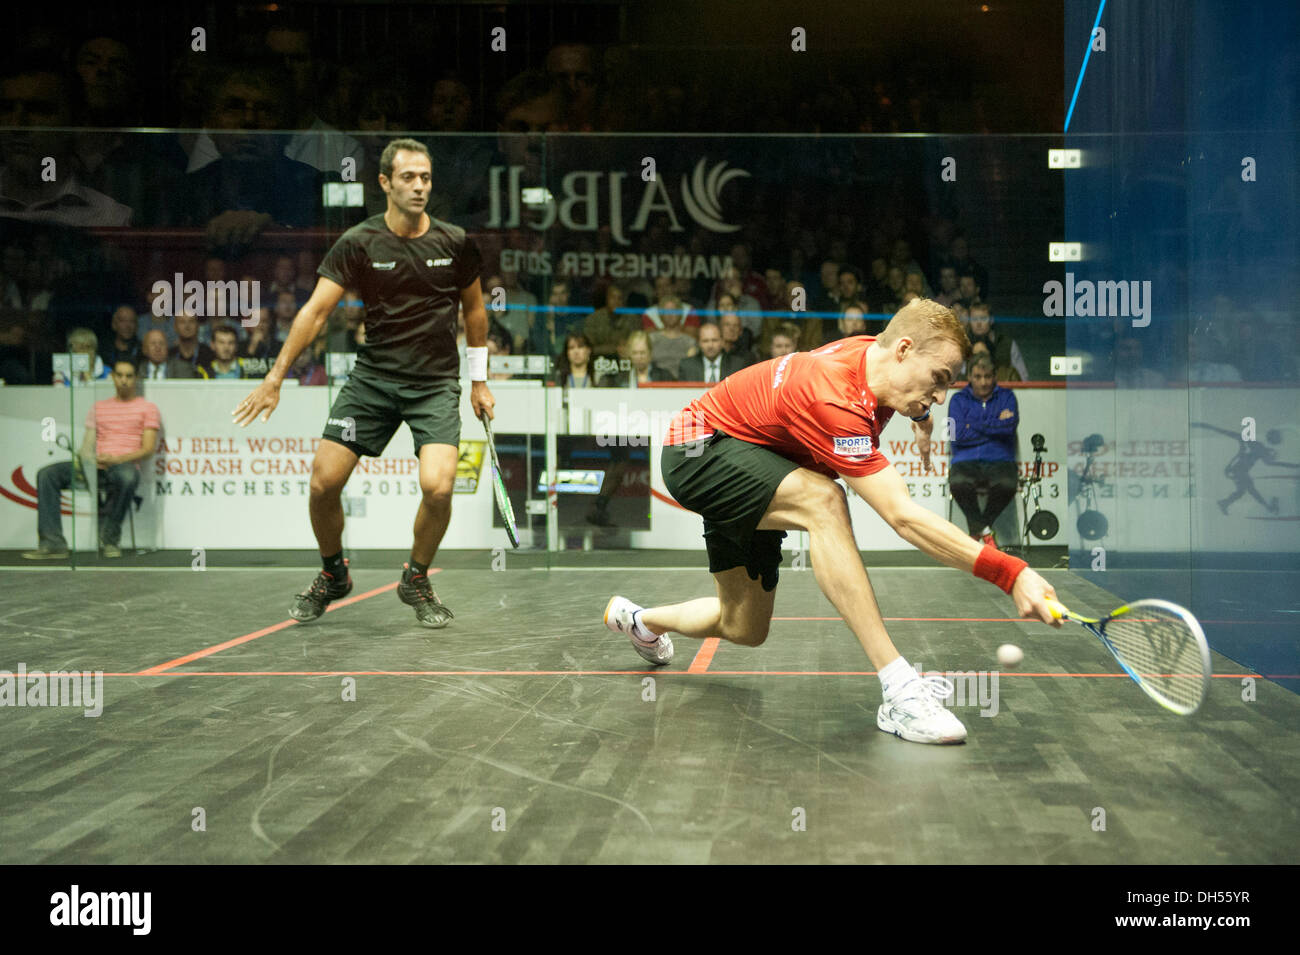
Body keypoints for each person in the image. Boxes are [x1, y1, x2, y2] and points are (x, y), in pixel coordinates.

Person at [601, 299, 1061, 745]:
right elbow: (903, 518)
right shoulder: (834, 396)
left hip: (754, 459)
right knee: (825, 501)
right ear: (903, 349)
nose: (940, 396)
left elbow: (912, 393)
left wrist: (921, 417)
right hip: (698, 451)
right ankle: (899, 689)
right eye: (939, 380)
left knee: (744, 627)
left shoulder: (876, 356)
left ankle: (641, 621)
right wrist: (1011, 572)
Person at [232, 138, 492, 629]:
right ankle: (333, 575)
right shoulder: (359, 242)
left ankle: (415, 578)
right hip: (372, 382)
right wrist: (275, 377)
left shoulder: (456, 242)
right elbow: (315, 311)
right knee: (323, 483)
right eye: (410, 178)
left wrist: (479, 382)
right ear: (385, 183)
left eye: (427, 178)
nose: (420, 187)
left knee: (438, 489)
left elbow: (475, 312)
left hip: (434, 385)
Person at [23, 359, 159, 559]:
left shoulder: (147, 408)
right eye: (119, 375)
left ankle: (110, 539)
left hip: (123, 466)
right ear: (112, 377)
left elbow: (148, 449)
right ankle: (53, 543)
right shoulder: (99, 407)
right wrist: (90, 459)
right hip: (95, 465)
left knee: (129, 477)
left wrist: (117, 458)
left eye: (129, 376)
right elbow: (86, 447)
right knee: (47, 474)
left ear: (135, 379)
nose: (123, 380)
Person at [948, 354, 1020, 546]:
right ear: (969, 377)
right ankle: (986, 531)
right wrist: (995, 423)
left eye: (988, 376)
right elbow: (957, 435)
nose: (983, 382)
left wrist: (972, 425)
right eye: (978, 376)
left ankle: (977, 531)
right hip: (965, 460)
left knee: (1007, 484)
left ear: (995, 376)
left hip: (1000, 459)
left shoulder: (1007, 397)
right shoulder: (957, 400)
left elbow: (1008, 429)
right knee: (958, 483)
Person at [678, 322, 748, 383]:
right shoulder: (687, 366)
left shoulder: (737, 365)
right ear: (699, 343)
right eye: (705, 341)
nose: (710, 345)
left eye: (714, 340)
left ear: (722, 341)